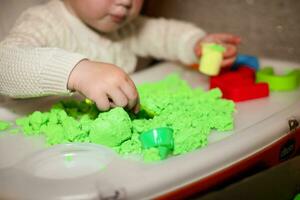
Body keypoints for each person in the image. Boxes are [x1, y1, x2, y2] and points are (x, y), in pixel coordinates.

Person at [0, 0, 240, 113]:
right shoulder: (46, 21)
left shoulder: (126, 27)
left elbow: (165, 34)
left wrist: (195, 44)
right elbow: (5, 64)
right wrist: (77, 72)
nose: (126, 2)